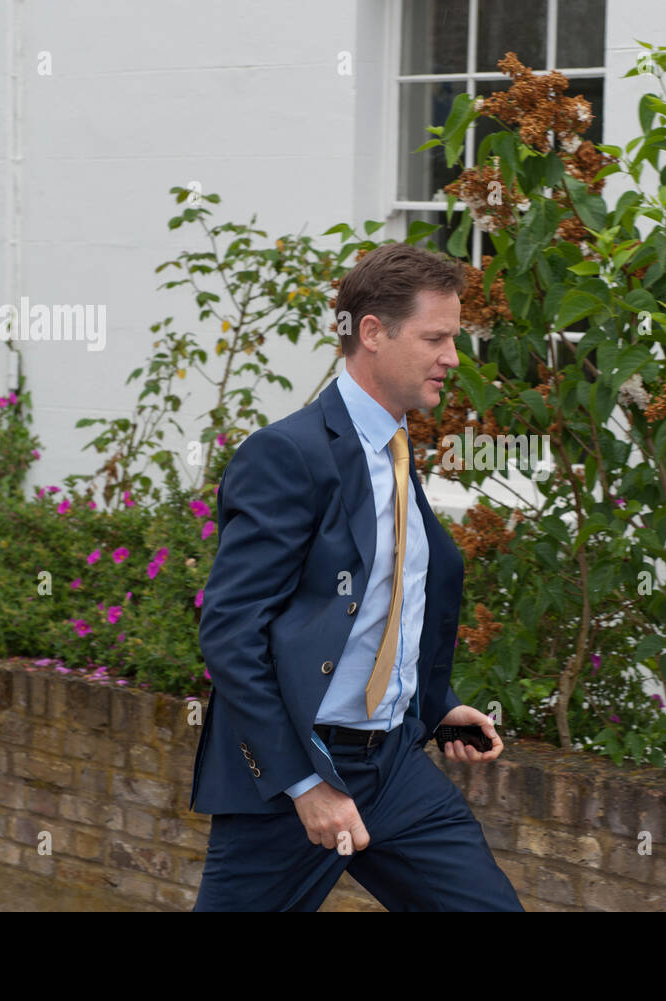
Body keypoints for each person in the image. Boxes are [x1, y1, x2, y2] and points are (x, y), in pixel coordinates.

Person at [190, 241, 523, 911]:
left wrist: (436, 703)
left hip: (391, 767)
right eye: (436, 338)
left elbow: (380, 601)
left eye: (453, 339)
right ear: (372, 332)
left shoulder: (395, 449)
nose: (452, 358)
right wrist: (304, 785)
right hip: (293, 777)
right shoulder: (287, 454)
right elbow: (230, 632)